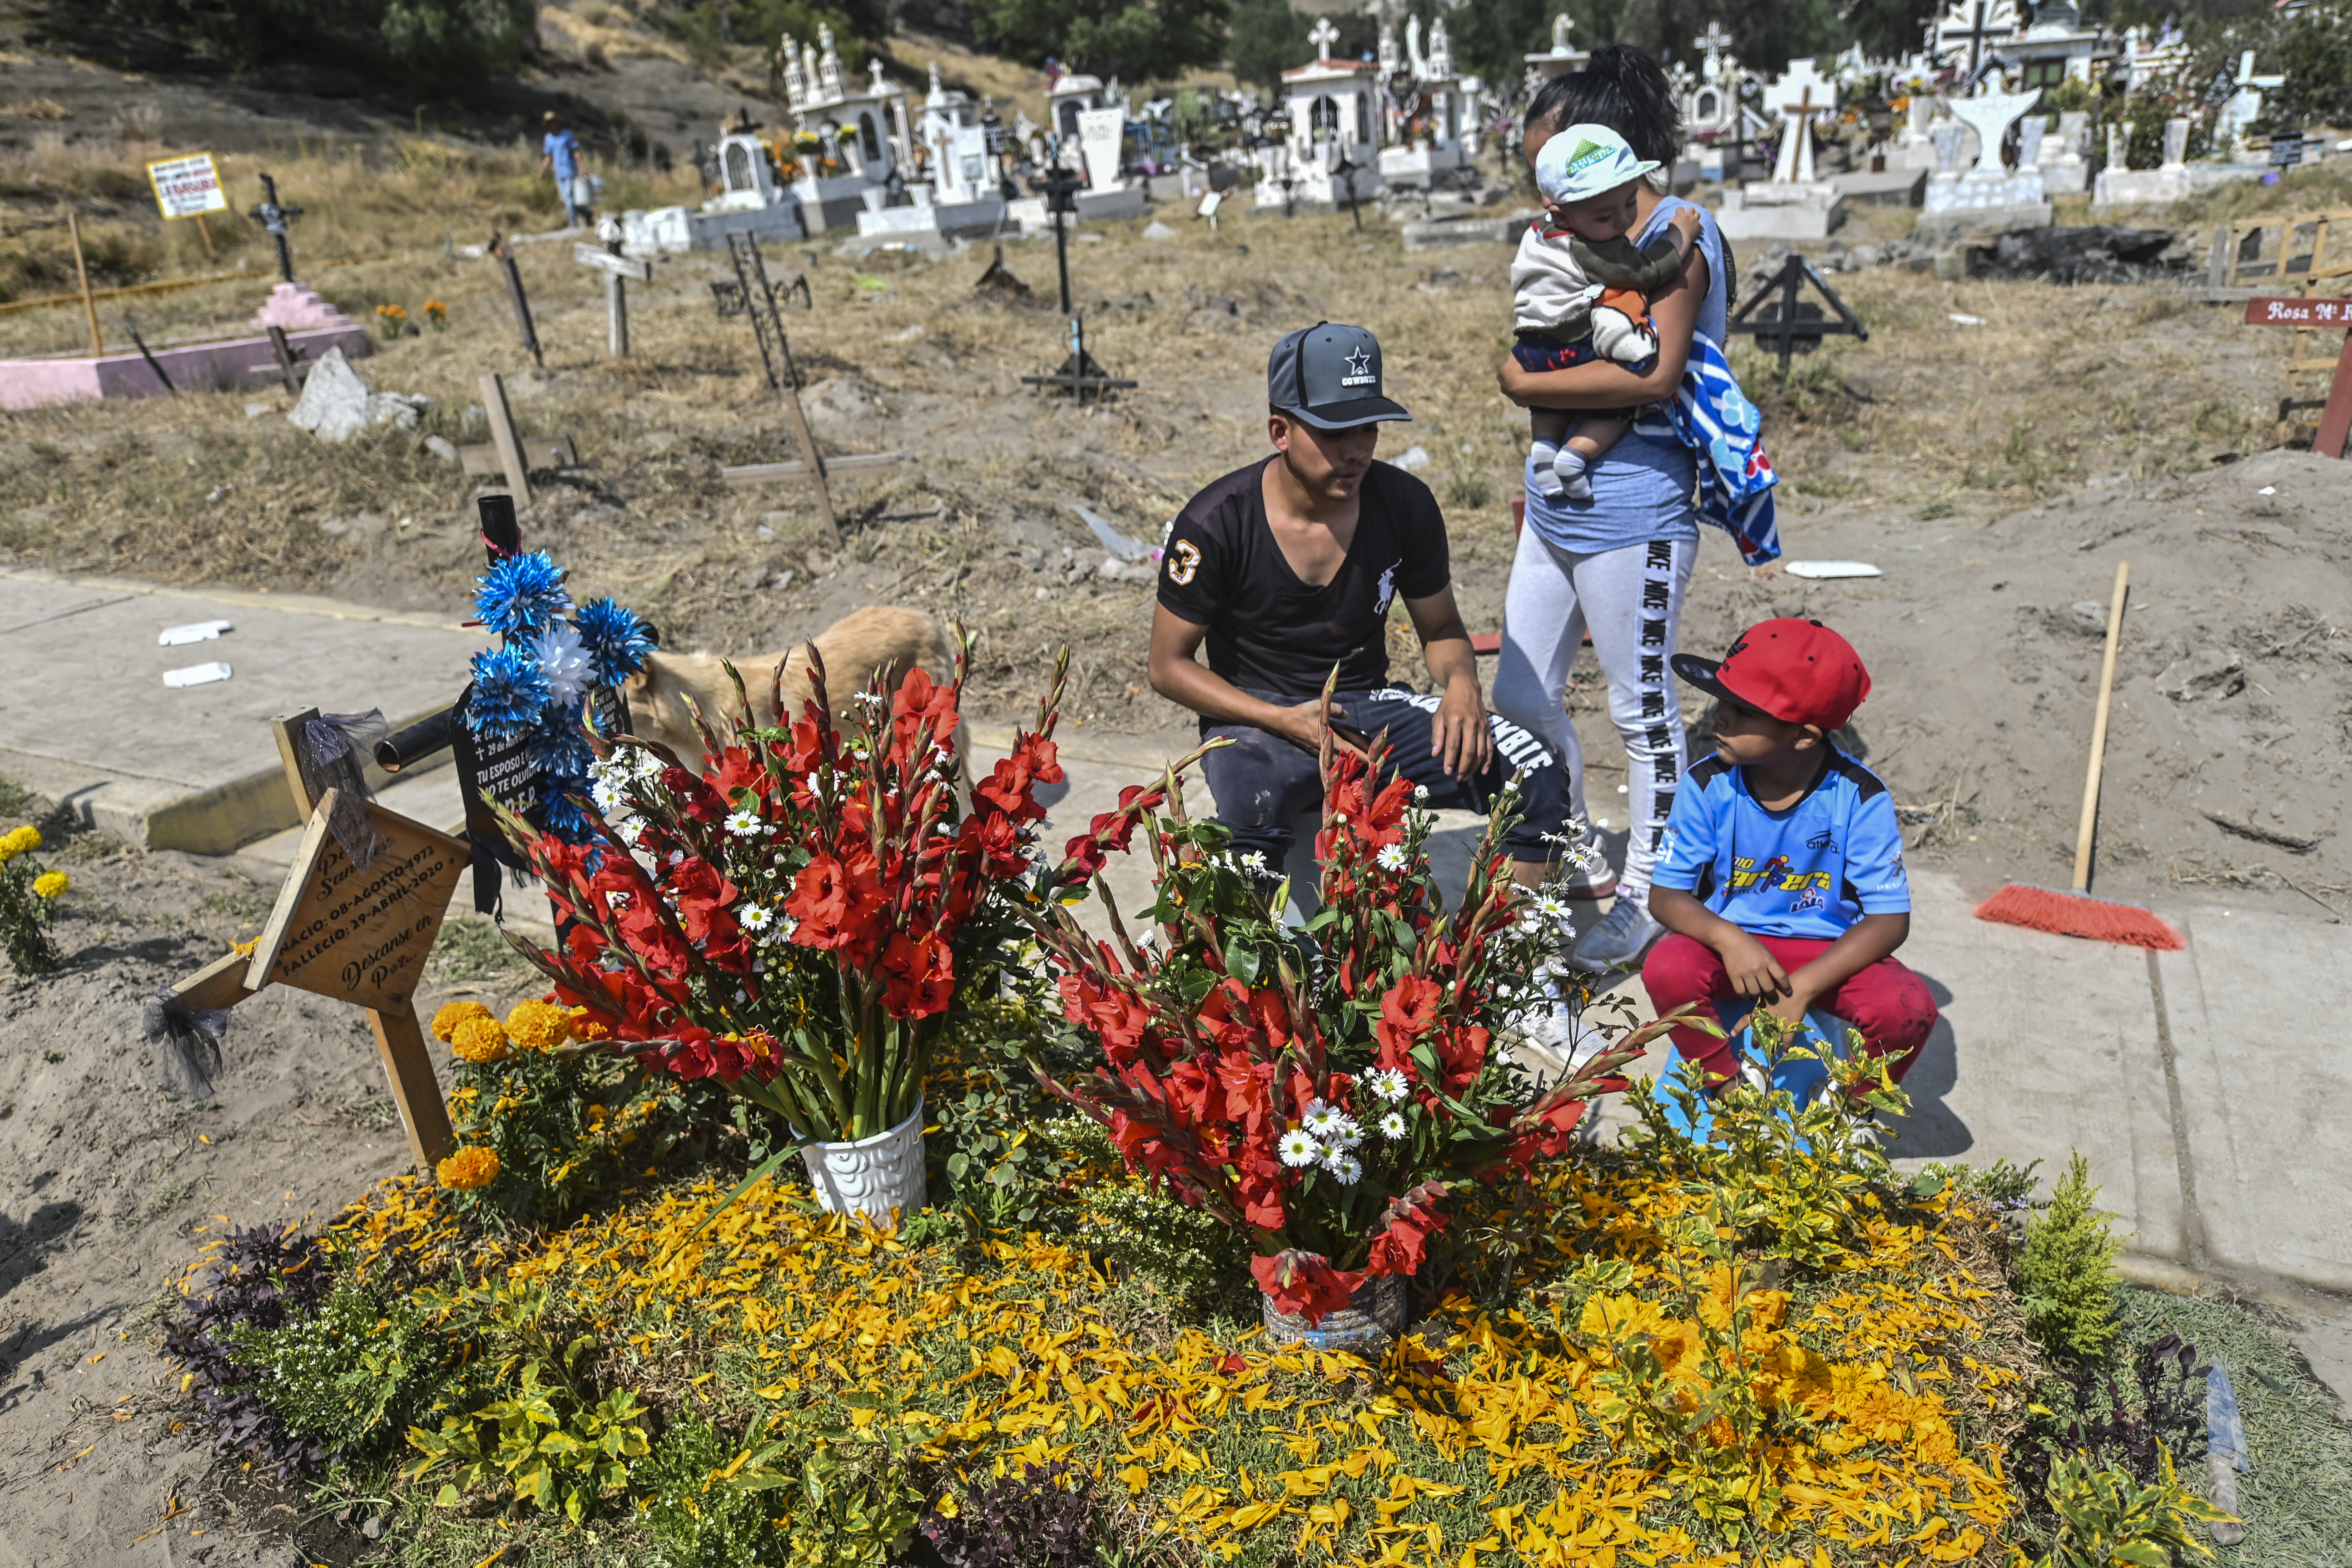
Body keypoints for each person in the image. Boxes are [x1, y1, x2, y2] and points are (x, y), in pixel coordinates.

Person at [1491, 45, 1781, 978]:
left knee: (1639, 709)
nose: (1544, 191)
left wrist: (1516, 378)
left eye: (1552, 160)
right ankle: (1572, 851)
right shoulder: (1574, 236)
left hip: (1635, 507)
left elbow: (1653, 376)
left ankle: (1653, 898)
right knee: (1522, 697)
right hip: (1556, 503)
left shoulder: (1679, 236)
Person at [1148, 322, 1581, 892]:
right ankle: (1254, 979)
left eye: (1369, 427)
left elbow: (1443, 626)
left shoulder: (1404, 504)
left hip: (1364, 706)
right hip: (1256, 720)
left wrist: (1460, 685)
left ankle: (1509, 966)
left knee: (1538, 771)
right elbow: (1167, 666)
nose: (1357, 449)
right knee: (1250, 821)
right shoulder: (1216, 522)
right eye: (1334, 432)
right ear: (1281, 430)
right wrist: (1281, 719)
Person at [1641, 618, 1936, 1092]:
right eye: (1722, 699)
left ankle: (1851, 1111)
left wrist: (1803, 989)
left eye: (1742, 710)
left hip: (1824, 949)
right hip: (1729, 941)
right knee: (1666, 966)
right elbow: (1666, 895)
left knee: (1909, 1009)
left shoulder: (1861, 797)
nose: (1719, 716)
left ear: (1804, 736)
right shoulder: (1706, 784)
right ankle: (1723, 1084)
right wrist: (1728, 939)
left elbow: (1889, 921)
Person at [1512, 124, 1703, 501]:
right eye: (1604, 217)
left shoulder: (1537, 232)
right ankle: (1576, 455)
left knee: (1547, 403)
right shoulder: (1592, 249)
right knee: (1617, 406)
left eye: (1630, 203)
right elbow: (1647, 271)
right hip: (1575, 340)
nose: (1621, 221)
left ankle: (1544, 450)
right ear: (1563, 216)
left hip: (1532, 343)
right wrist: (1679, 234)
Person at [540, 111, 591, 228]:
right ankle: (586, 213)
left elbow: (576, 152)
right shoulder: (549, 139)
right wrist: (543, 172)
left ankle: (573, 223)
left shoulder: (567, 135)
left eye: (554, 122)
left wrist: (583, 167)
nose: (552, 124)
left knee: (569, 197)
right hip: (559, 172)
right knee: (566, 199)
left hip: (569, 169)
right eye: (550, 123)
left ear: (557, 122)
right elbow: (549, 157)